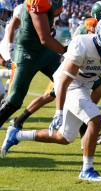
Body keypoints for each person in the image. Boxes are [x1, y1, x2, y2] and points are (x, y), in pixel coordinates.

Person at [1, 16, 101, 182]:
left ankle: (16, 135)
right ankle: (87, 169)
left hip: (84, 84)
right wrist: (58, 112)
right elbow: (64, 81)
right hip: (70, 84)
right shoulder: (83, 45)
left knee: (65, 137)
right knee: (95, 119)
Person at [9, 0, 101, 146]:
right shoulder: (90, 27)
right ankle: (19, 119)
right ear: (98, 16)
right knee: (50, 95)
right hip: (69, 67)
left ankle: (86, 130)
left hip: (84, 72)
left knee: (98, 88)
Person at [0, 0, 66, 128]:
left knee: (70, 83)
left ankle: (87, 133)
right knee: (14, 100)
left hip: (45, 52)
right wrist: (67, 51)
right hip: (28, 52)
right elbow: (44, 38)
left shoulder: (58, 1)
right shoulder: (38, 1)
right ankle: (15, 125)